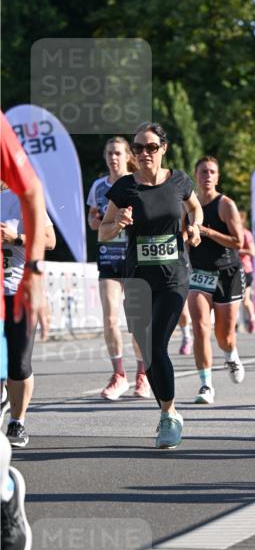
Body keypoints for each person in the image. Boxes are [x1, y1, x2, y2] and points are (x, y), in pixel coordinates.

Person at [100, 123, 203, 449]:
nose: (145, 153)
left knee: (156, 345)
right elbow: (102, 231)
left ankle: (169, 414)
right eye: (139, 148)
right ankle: (167, 411)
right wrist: (117, 223)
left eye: (151, 147)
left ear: (164, 149)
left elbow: (195, 207)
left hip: (174, 276)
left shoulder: (179, 180)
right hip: (138, 278)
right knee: (147, 348)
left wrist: (195, 225)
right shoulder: (124, 188)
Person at [1, 111, 46, 550]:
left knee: (19, 367)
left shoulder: (15, 191)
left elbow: (45, 229)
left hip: (10, 292)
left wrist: (18, 240)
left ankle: (6, 491)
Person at [87, 137, 150, 399]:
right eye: (110, 153)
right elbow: (92, 219)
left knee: (137, 322)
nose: (114, 158)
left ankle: (142, 375)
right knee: (111, 317)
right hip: (109, 257)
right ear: (105, 156)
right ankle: (118, 374)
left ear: (127, 156)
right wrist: (96, 220)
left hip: (135, 258)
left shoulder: (138, 183)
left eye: (118, 153)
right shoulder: (98, 187)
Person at [187, 156, 246, 404]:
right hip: (200, 272)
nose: (207, 176)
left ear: (218, 177)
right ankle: (206, 385)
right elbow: (181, 233)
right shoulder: (188, 205)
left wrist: (208, 232)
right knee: (200, 327)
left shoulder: (226, 205)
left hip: (227, 272)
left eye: (212, 172)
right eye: (203, 171)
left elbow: (238, 242)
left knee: (224, 336)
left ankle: (231, 354)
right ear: (196, 175)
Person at [1, 183, 56, 446]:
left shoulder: (22, 197)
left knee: (19, 365)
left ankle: (17, 422)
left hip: (17, 293)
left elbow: (50, 240)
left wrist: (16, 238)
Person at [238, 209, 255, 333]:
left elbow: (253, 252)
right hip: (233, 270)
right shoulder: (229, 232)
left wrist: (237, 250)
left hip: (246, 270)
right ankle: (236, 324)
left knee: (245, 300)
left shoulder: (246, 234)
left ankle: (252, 318)